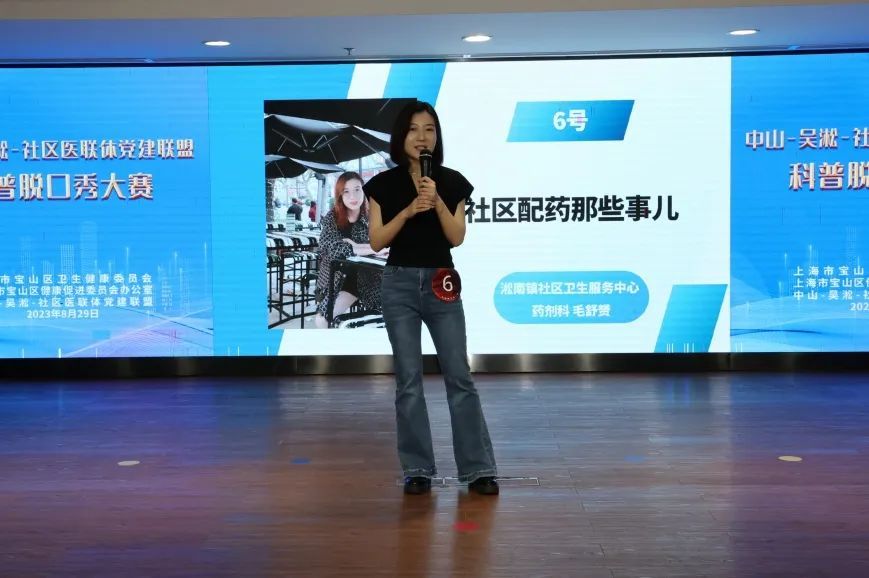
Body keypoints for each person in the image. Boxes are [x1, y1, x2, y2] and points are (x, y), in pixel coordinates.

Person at [365, 101, 498, 495]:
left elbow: (456, 236)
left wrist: (436, 201)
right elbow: (377, 241)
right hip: (399, 284)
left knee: (459, 375)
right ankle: (418, 468)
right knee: (408, 380)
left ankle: (478, 469)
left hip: (442, 281)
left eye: (429, 130)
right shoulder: (382, 185)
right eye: (413, 129)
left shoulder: (452, 182)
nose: (422, 137)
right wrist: (409, 210)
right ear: (400, 136)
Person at [313, 172, 386, 329]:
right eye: (346, 191)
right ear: (340, 195)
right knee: (322, 320)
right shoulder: (332, 217)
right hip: (337, 278)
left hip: (368, 278)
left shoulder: (371, 217)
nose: (353, 196)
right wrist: (372, 248)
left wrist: (356, 247)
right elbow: (331, 248)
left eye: (357, 189)